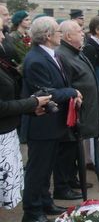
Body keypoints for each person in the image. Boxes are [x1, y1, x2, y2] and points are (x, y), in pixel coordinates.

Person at [21, 17, 83, 222]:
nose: (60, 34)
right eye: (57, 31)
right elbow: (47, 93)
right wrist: (72, 91)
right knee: (37, 170)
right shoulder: (36, 59)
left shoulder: (51, 54)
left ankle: (45, 202)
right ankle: (32, 211)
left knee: (46, 168)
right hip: (41, 125)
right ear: (48, 35)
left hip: (52, 124)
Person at [0, 15, 52, 211]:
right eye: (0, 32)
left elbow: (10, 97)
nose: (3, 37)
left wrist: (30, 108)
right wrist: (32, 103)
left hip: (7, 134)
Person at [54, 20, 99, 195]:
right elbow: (65, 84)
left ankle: (72, 178)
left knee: (74, 148)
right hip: (71, 113)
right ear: (68, 36)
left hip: (83, 110)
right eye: (79, 31)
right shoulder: (63, 55)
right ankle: (62, 186)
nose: (83, 33)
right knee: (65, 150)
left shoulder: (75, 52)